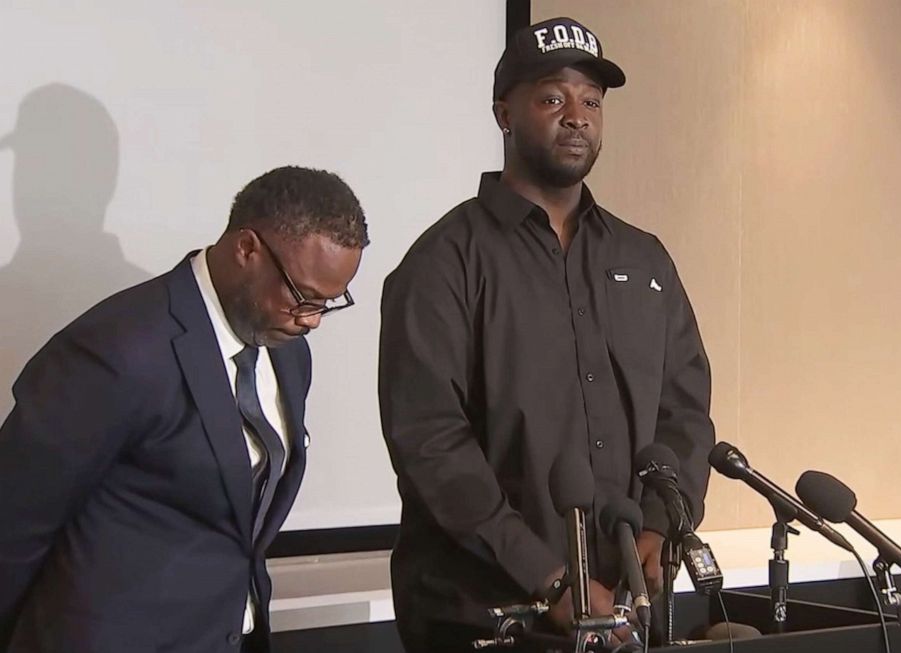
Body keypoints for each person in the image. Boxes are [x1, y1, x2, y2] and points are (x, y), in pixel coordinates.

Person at [378, 16, 716, 652]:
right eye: (553, 98)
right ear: (504, 114)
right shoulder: (443, 264)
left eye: (592, 101)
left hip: (626, 611)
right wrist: (553, 578)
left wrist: (657, 528)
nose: (577, 116)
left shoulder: (644, 260)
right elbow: (431, 443)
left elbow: (685, 413)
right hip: (486, 613)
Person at [0, 165, 369, 653]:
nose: (314, 320)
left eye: (330, 302)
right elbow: (14, 524)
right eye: (303, 297)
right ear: (247, 249)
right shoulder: (117, 349)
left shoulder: (288, 351)